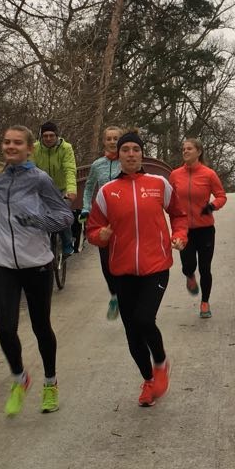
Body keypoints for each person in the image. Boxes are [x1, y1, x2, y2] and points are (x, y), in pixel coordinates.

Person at [86, 130, 188, 407]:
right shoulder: (107, 192)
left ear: (142, 154)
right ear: (118, 155)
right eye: (125, 150)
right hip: (122, 270)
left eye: (135, 149)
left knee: (144, 319)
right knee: (132, 332)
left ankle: (161, 362)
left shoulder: (159, 184)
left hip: (156, 266)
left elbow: (178, 214)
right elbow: (93, 229)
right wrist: (99, 236)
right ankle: (148, 380)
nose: (131, 154)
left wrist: (180, 235)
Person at [0, 125, 74, 417]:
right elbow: (0, 217)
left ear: (29, 148)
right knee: (5, 329)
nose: (11, 146)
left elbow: (64, 216)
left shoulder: (40, 180)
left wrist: (36, 221)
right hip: (4, 263)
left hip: (37, 263)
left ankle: (50, 383)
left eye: (17, 143)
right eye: (7, 142)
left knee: (40, 326)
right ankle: (20, 379)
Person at [168, 137, 227, 318]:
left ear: (199, 152)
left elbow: (221, 196)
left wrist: (211, 206)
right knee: (188, 266)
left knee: (205, 268)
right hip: (184, 229)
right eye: (183, 149)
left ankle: (205, 302)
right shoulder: (175, 175)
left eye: (189, 149)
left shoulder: (209, 174)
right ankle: (189, 276)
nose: (185, 151)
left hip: (205, 229)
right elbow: (169, 200)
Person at [81, 125, 124, 320]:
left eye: (116, 138)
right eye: (109, 139)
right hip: (103, 219)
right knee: (106, 261)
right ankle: (114, 294)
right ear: (104, 142)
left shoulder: (127, 161)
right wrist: (86, 207)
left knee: (124, 257)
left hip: (124, 218)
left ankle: (127, 294)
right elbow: (89, 188)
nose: (113, 142)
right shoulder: (97, 165)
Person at [34, 120, 78, 254]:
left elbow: (69, 170)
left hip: (62, 189)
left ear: (57, 136)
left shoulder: (66, 148)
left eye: (51, 135)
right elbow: (29, 170)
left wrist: (71, 190)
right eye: (45, 136)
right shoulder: (34, 148)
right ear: (41, 137)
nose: (48, 138)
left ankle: (67, 244)